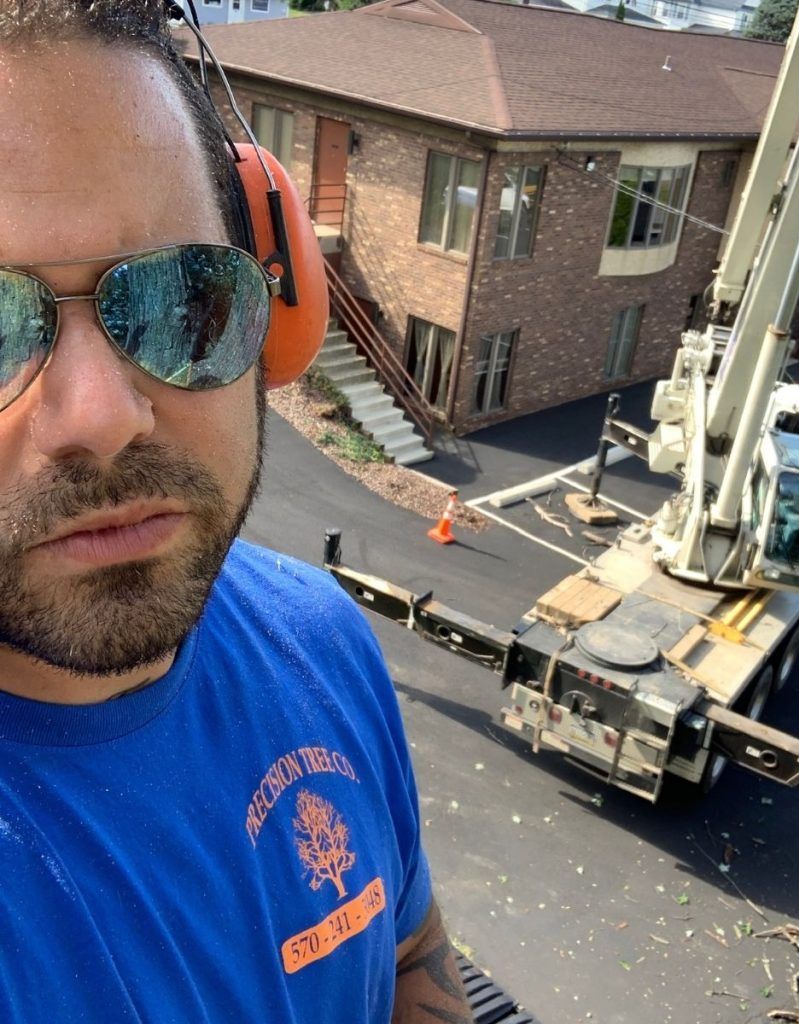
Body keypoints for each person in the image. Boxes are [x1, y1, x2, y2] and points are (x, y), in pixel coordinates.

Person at [0, 2, 473, 1021]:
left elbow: (408, 958)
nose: (106, 415)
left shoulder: (321, 636)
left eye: (180, 296)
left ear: (275, 313)